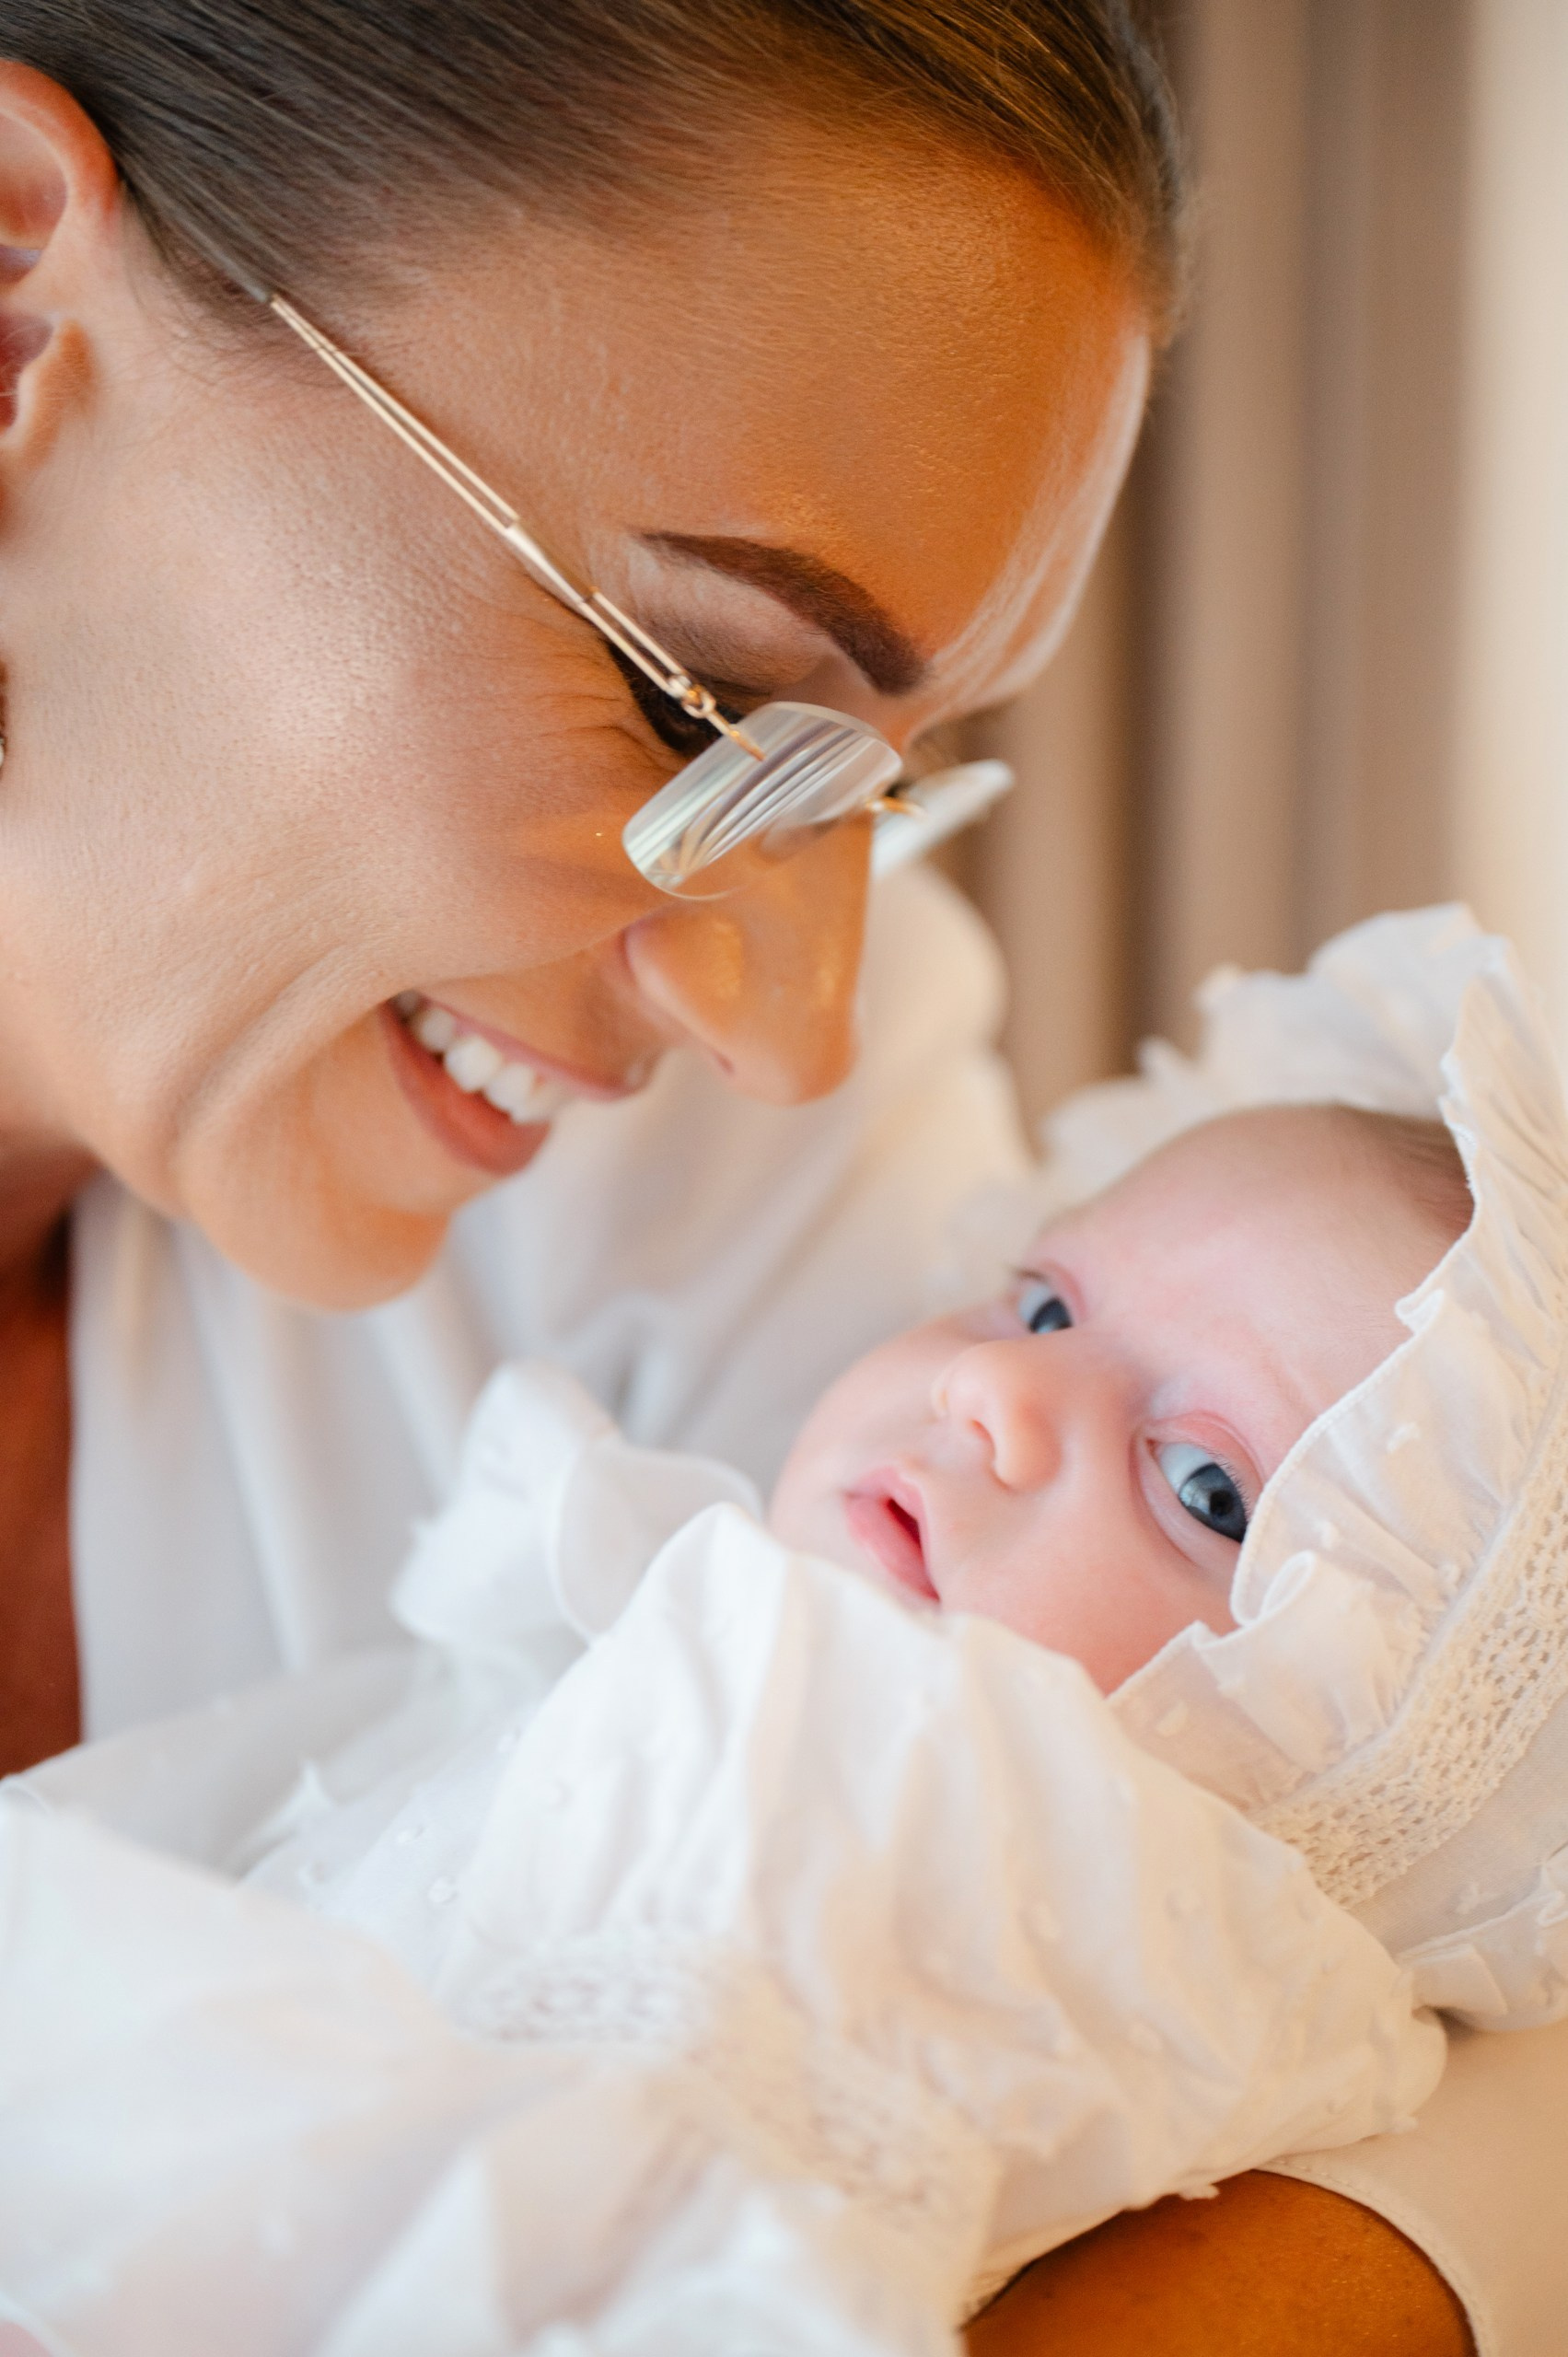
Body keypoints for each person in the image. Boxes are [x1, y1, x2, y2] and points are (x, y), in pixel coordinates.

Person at [0, 0, 1525, 2343]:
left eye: (874, 785)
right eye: (699, 702)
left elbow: (1439, 1884)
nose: (787, 1019)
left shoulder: (707, 1180)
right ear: (21, 314)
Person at [6, 908, 1562, 2352]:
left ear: (1388, 1788)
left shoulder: (937, 1876)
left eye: (1205, 1485)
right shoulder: (703, 1652)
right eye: (1044, 1306)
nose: (996, 1389)